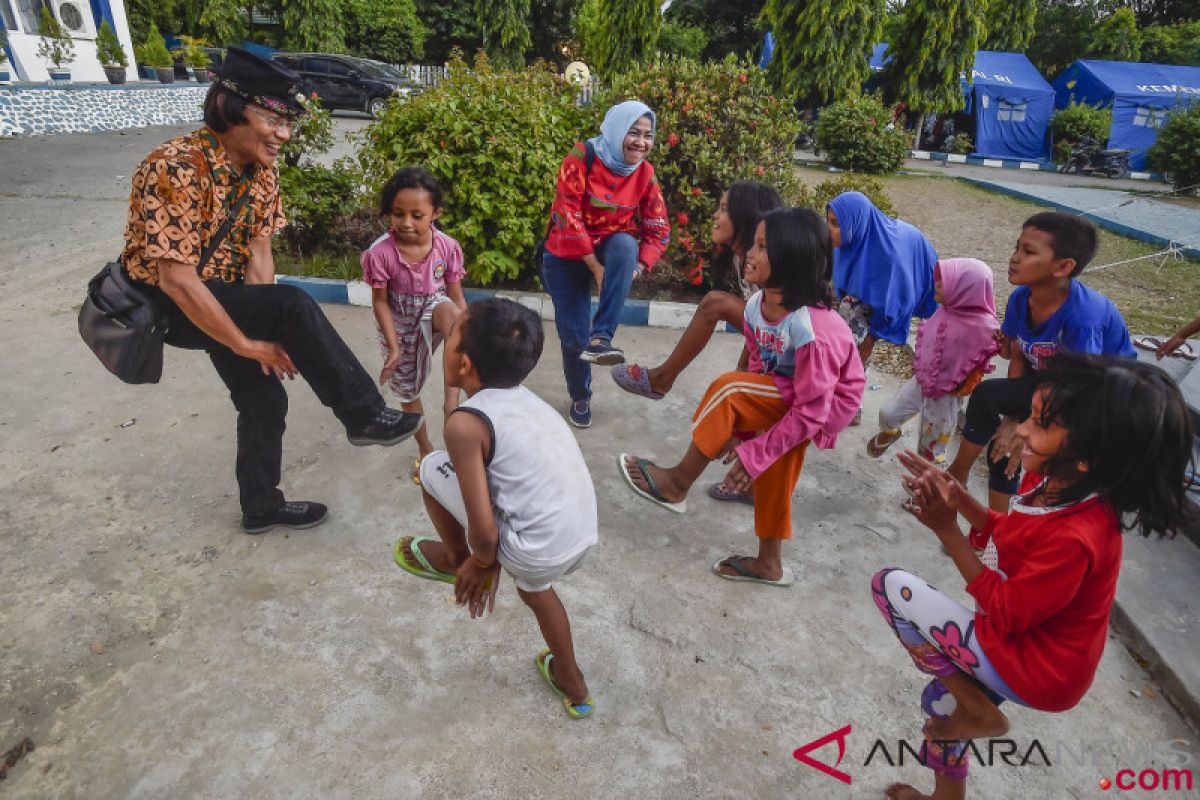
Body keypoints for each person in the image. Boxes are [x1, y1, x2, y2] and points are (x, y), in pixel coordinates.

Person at [121, 48, 421, 533]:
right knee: (294, 304)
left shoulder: (262, 172)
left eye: (290, 122)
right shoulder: (174, 166)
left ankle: (260, 508)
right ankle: (364, 415)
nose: (284, 134)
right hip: (167, 303)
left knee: (264, 398)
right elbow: (177, 280)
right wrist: (246, 340)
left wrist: (265, 330)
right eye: (273, 119)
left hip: (224, 294)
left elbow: (259, 252)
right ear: (230, 109)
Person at [874, 353, 1195, 800]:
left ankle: (977, 712)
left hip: (1036, 667)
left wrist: (948, 531)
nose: (1022, 429)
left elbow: (1007, 611)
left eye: (1040, 424)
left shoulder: (1078, 536)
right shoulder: (1051, 484)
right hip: (1028, 650)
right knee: (943, 705)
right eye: (1029, 415)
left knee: (889, 587)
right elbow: (1010, 534)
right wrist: (960, 497)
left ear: (1088, 458)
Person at [616, 208, 865, 586]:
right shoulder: (756, 306)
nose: (750, 252)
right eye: (754, 242)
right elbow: (760, 365)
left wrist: (754, 455)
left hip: (821, 405)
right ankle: (770, 564)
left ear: (792, 261)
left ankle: (676, 483)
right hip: (791, 392)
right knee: (772, 463)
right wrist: (742, 431)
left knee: (730, 392)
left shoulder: (815, 330)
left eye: (763, 247)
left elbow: (813, 411)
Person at [392, 299, 599, 718]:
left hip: (530, 549)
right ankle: (574, 685)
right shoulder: (528, 403)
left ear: (464, 365)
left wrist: (483, 563)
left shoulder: (465, 424)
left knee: (432, 468)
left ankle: (455, 559)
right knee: (536, 590)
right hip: (580, 537)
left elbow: (485, 531)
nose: (445, 338)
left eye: (449, 338)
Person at [944, 212, 1136, 512]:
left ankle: (968, 485)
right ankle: (989, 515)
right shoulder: (1022, 298)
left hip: (1096, 395)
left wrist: (1029, 423)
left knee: (1020, 439)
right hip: (1049, 382)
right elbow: (1018, 352)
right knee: (1001, 430)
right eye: (1016, 247)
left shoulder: (1083, 318)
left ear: (1063, 266)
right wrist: (1011, 416)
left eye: (1029, 251)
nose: (1015, 258)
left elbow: (1079, 387)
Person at [611, 181, 784, 505]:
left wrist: (749, 424)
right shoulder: (746, 262)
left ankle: (677, 483)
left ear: (745, 215)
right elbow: (759, 334)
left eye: (723, 209)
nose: (715, 216)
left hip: (800, 373)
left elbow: (778, 348)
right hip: (778, 359)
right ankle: (756, 492)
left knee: (716, 312)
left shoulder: (769, 268)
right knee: (736, 392)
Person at [542, 100, 671, 428]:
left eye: (647, 135)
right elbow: (566, 213)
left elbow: (658, 229)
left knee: (627, 245)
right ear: (615, 131)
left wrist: (634, 270)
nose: (641, 142)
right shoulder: (582, 156)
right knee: (572, 337)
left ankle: (602, 339)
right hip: (567, 252)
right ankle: (580, 394)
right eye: (633, 132)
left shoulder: (644, 173)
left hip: (610, 249)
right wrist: (597, 270)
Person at [362, 167, 467, 483]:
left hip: (433, 307)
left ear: (435, 213)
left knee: (454, 318)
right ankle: (425, 449)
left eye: (417, 215)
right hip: (400, 322)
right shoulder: (380, 253)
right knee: (407, 391)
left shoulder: (447, 247)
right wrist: (393, 347)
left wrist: (468, 333)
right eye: (398, 213)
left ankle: (452, 405)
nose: (406, 222)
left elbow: (456, 297)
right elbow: (380, 301)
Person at [867, 259, 999, 464]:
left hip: (946, 396)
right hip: (922, 380)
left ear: (966, 289)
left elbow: (988, 357)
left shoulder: (985, 326)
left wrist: (967, 382)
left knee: (930, 449)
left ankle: (921, 492)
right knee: (887, 414)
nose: (936, 284)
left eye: (945, 282)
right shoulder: (945, 310)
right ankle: (891, 433)